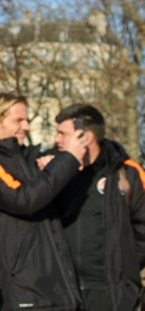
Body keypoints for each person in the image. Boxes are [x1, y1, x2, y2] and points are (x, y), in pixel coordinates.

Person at [0, 91, 88, 310]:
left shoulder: (27, 159)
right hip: (25, 289)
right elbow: (22, 199)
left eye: (27, 120)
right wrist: (66, 160)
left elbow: (59, 209)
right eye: (19, 120)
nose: (27, 127)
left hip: (56, 284)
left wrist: (56, 170)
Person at [51, 104, 145, 311]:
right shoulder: (53, 173)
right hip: (64, 292)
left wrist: (125, 267)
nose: (56, 140)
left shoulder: (127, 173)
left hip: (113, 294)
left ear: (86, 138)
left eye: (62, 134)